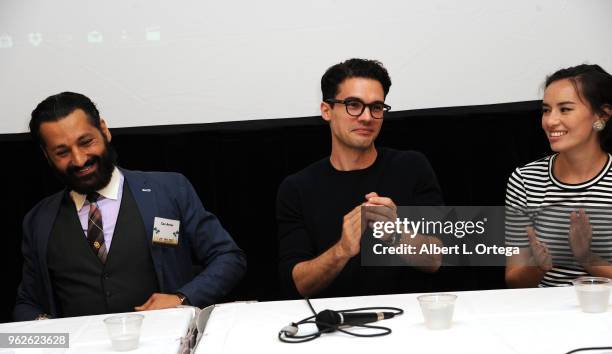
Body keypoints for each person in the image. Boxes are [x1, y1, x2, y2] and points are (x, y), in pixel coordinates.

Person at [14, 92, 246, 321]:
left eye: (86, 142)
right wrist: (51, 335)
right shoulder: (38, 220)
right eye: (62, 152)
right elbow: (27, 304)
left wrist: (182, 298)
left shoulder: (169, 190)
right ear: (47, 155)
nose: (79, 159)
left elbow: (228, 258)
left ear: (104, 130)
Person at [277, 58, 444, 298]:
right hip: (331, 324)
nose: (367, 117)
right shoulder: (297, 188)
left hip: (408, 320)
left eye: (376, 107)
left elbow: (436, 259)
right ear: (326, 110)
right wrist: (342, 249)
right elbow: (297, 284)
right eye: (353, 105)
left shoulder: (411, 167)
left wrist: (395, 233)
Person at [505, 64, 612, 287]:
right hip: (547, 313)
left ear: (602, 115)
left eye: (565, 109)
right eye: (546, 110)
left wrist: (587, 258)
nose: (551, 121)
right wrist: (538, 266)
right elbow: (514, 280)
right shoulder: (525, 180)